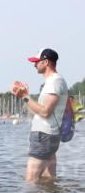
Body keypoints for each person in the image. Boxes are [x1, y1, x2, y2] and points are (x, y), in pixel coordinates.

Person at [11, 48, 68, 182]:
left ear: (46, 62)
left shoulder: (54, 82)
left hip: (44, 136)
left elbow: (45, 112)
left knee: (31, 181)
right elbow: (37, 112)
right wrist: (25, 96)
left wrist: (25, 96)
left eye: (37, 61)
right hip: (48, 135)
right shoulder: (53, 82)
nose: (34, 65)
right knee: (48, 181)